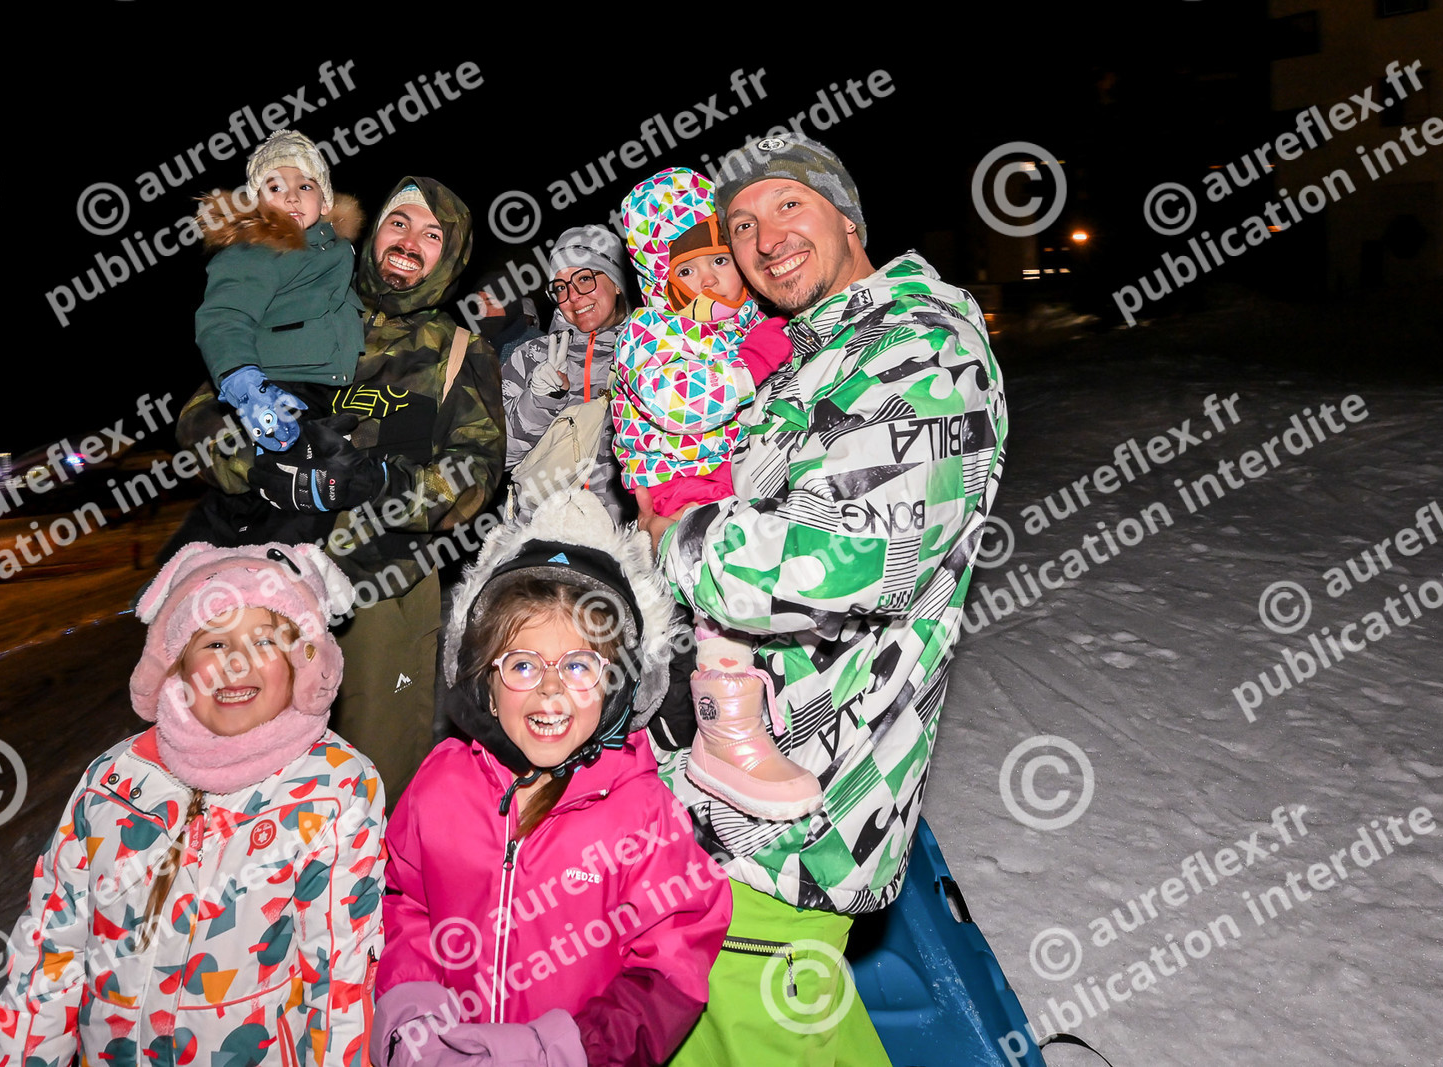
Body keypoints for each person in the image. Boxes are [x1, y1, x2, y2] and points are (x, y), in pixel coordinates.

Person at [636, 137, 1008, 1066]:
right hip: (732, 783)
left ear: (848, 217)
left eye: (789, 206)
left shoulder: (921, 347)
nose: (766, 240)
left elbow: (844, 560)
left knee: (734, 1028)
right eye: (743, 226)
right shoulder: (813, 352)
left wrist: (672, 537)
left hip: (796, 808)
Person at [0, 542, 385, 1067]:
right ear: (176, 664)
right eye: (214, 642)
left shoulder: (332, 789)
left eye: (265, 641)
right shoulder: (115, 782)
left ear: (302, 665)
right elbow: (48, 957)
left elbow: (340, 983)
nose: (236, 663)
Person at [370, 489, 730, 1067]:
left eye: (579, 665)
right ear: (484, 683)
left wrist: (567, 1051)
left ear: (618, 687)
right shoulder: (440, 787)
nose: (551, 689)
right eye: (522, 664)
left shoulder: (642, 814)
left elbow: (670, 967)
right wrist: (412, 1023)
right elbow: (409, 903)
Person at [177, 175, 506, 797]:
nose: (409, 241)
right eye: (398, 223)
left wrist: (379, 484)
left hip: (383, 591)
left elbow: (476, 473)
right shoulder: (300, 308)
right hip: (264, 583)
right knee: (244, 777)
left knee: (376, 779)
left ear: (452, 255)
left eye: (431, 235)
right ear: (373, 231)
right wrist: (258, 467)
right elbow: (201, 418)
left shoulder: (461, 352)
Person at [611, 167, 818, 823]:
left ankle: (762, 709)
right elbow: (681, 403)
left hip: (745, 479)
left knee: (767, 589)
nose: (707, 281)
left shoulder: (750, 321)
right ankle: (724, 730)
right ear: (661, 278)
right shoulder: (650, 331)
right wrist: (755, 361)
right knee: (719, 598)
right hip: (679, 482)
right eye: (687, 269)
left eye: (720, 261)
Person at [163, 129, 367, 554]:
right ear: (256, 202)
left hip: (323, 394)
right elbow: (223, 317)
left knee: (279, 499)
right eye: (275, 187)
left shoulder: (337, 251)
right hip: (276, 387)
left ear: (324, 202)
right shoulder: (255, 251)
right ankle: (238, 571)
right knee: (295, 498)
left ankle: (212, 563)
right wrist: (245, 384)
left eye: (305, 186)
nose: (291, 196)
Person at [501, 225, 631, 521]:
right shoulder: (531, 355)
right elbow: (498, 456)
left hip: (622, 534)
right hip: (537, 532)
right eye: (560, 287)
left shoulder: (649, 350)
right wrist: (539, 401)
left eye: (584, 279)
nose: (572, 296)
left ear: (617, 282)